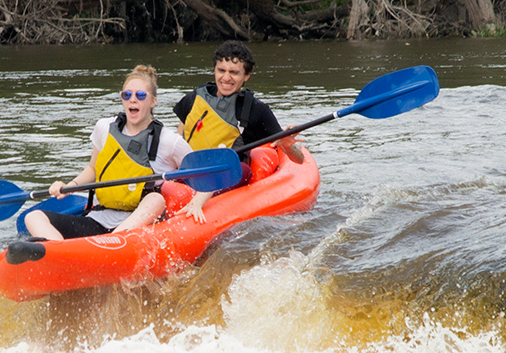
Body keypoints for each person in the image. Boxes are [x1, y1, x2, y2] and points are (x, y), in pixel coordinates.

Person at [23, 65, 210, 241]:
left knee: (156, 199)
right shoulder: (104, 128)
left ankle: (112, 243)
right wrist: (68, 186)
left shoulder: (169, 141)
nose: (132, 99)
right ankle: (60, 254)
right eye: (127, 94)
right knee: (33, 217)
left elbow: (205, 174)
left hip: (136, 223)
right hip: (97, 219)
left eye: (140, 95)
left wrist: (198, 202)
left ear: (153, 101)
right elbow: (93, 169)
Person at [172, 40, 303, 220]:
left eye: (234, 72)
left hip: (229, 174)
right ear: (214, 70)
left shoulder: (257, 110)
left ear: (246, 76)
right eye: (221, 70)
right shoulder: (194, 98)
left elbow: (299, 160)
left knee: (242, 168)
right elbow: (179, 138)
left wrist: (288, 146)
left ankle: (197, 204)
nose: (226, 78)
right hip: (191, 171)